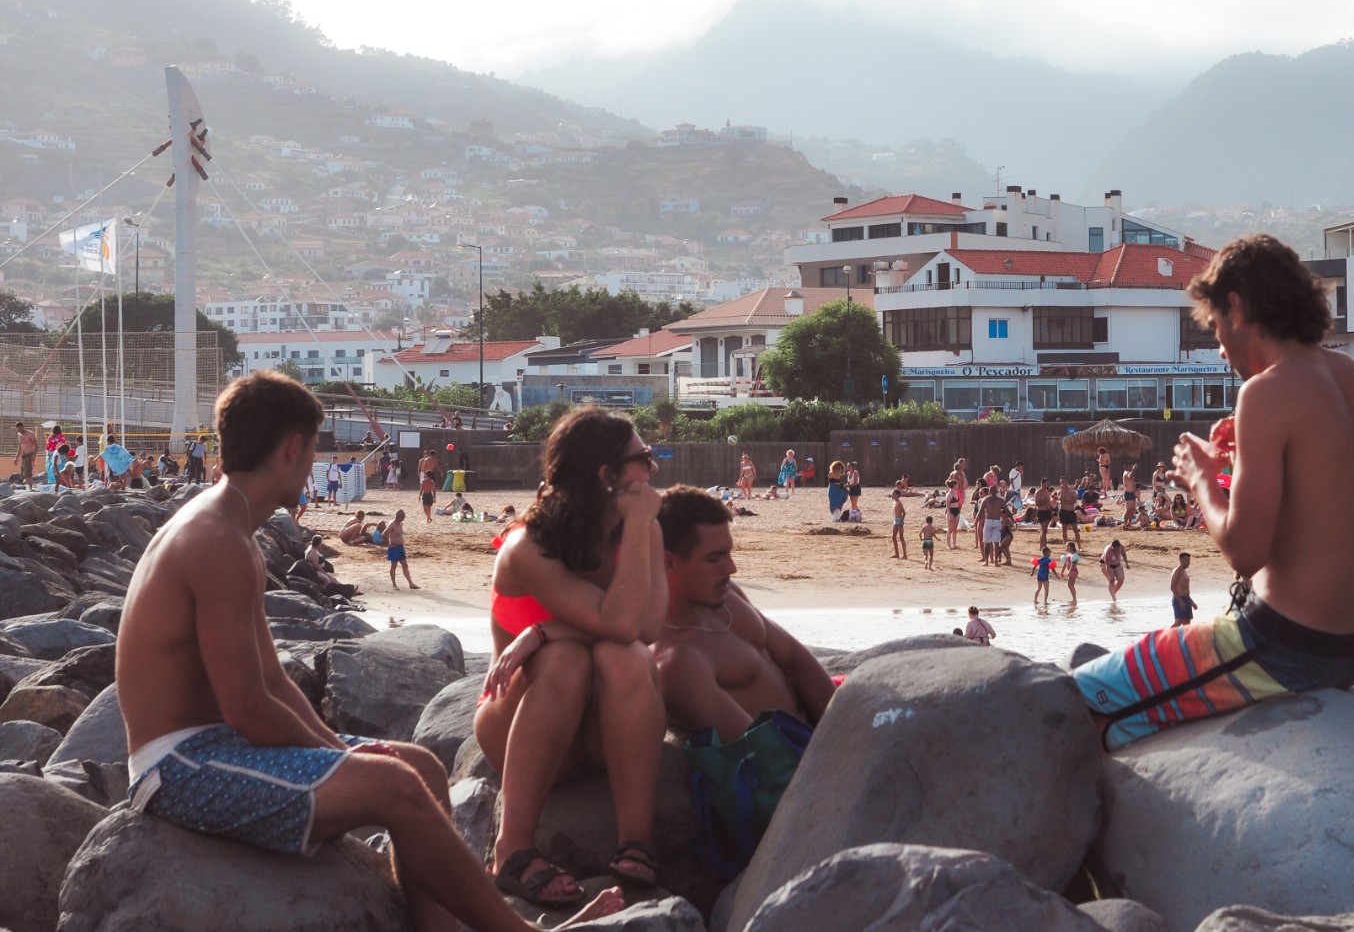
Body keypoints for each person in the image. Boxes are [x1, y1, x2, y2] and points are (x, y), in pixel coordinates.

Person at [115, 373, 622, 931]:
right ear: (292, 448)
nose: (313, 464)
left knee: (421, 766)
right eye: (314, 449)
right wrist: (344, 759)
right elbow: (246, 707)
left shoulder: (229, 526)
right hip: (180, 766)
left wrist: (338, 750)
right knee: (395, 784)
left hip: (216, 747)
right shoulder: (216, 541)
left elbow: (274, 684)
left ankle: (439, 927)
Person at [1073, 233, 1354, 750]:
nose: (1220, 348)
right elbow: (1329, 509)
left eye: (1216, 329)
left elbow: (1245, 552)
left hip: (1286, 646)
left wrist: (1200, 480)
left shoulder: (1265, 393)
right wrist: (1244, 457)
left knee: (1082, 696)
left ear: (1237, 307)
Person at [472, 408, 667, 903]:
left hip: (600, 735)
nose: (654, 469)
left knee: (626, 659)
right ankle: (511, 849)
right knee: (568, 661)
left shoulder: (639, 529)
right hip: (525, 721)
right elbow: (620, 623)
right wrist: (551, 641)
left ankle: (636, 843)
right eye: (643, 458)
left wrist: (543, 631)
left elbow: (643, 630)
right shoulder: (528, 545)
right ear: (607, 476)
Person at [651, 487, 833, 740]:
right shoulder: (678, 662)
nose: (731, 568)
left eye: (729, 552)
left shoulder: (727, 597)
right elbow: (761, 750)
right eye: (715, 558)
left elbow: (793, 658)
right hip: (789, 758)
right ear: (669, 562)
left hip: (821, 733)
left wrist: (843, 727)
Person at [386, 509, 419, 590]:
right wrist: (388, 544)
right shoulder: (392, 524)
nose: (404, 517)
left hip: (400, 548)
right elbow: (384, 534)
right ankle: (394, 584)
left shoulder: (400, 524)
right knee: (394, 566)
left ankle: (410, 583)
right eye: (403, 515)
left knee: (405, 565)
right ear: (399, 516)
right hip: (394, 548)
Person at [977, 484, 1005, 567]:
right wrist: (1012, 519)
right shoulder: (1000, 500)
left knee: (987, 542)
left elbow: (980, 511)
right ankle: (995, 562)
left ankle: (986, 561)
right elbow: (1006, 510)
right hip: (996, 521)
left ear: (989, 491)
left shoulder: (986, 499)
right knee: (996, 542)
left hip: (988, 521)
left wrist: (978, 521)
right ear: (997, 492)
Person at [1169, 552, 1196, 627]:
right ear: (1181, 560)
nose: (1189, 562)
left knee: (1187, 624)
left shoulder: (1184, 572)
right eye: (1186, 560)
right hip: (1179, 599)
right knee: (1179, 621)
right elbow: (1172, 587)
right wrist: (1180, 601)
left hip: (1186, 599)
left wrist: (1191, 602)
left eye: (1189, 560)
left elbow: (1186, 589)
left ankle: (1185, 638)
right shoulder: (1177, 571)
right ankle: (1166, 637)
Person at [1098, 538, 1126, 602]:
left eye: (1117, 549)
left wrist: (1126, 563)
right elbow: (1107, 565)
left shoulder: (1121, 547)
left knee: (1120, 581)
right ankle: (1114, 598)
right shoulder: (1108, 550)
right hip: (1105, 564)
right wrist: (1110, 574)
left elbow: (1124, 554)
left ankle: (1113, 594)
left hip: (1116, 565)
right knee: (1112, 580)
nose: (1116, 550)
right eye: (1114, 549)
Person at [1057, 477, 1081, 545]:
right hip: (1063, 511)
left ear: (1067, 482)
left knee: (1075, 529)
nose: (1062, 484)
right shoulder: (1060, 491)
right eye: (1061, 482)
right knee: (1064, 530)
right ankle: (1066, 544)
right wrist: (1063, 492)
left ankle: (1079, 545)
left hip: (1070, 511)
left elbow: (1073, 501)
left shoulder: (1072, 491)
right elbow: (1060, 500)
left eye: (1063, 482)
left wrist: (1065, 502)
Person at [12, 421, 37, 488]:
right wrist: (16, 457)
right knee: (23, 472)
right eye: (18, 429)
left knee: (28, 472)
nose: (20, 430)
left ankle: (31, 488)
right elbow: (20, 446)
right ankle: (28, 487)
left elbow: (36, 445)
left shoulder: (30, 434)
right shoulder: (19, 435)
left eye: (20, 428)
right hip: (23, 456)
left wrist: (34, 456)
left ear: (23, 427)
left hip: (30, 454)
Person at [1033, 478, 1055, 548]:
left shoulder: (1046, 492)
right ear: (1043, 483)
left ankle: (1042, 545)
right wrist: (1044, 501)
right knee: (1044, 529)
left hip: (1047, 511)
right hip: (1041, 511)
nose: (1048, 485)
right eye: (1047, 483)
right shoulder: (1038, 492)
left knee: (1044, 530)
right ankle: (1044, 546)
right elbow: (1037, 504)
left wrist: (1051, 512)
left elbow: (1048, 503)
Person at [890, 487, 908, 560]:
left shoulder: (899, 503)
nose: (892, 495)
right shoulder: (895, 502)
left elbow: (904, 513)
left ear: (897, 495)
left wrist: (901, 521)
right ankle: (896, 553)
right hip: (896, 520)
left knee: (901, 537)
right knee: (893, 537)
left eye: (893, 494)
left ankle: (905, 555)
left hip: (899, 520)